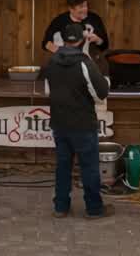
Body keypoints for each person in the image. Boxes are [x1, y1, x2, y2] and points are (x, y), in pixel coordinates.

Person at [41, 21, 111, 219]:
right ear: (81, 40)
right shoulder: (85, 63)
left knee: (63, 166)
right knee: (89, 166)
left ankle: (61, 207)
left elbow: (49, 90)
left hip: (59, 123)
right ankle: (94, 209)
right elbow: (101, 93)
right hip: (82, 123)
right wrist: (104, 81)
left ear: (63, 40)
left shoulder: (52, 61)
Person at [42, 0, 110, 54]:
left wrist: (97, 40)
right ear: (71, 9)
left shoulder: (94, 19)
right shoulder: (59, 21)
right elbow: (46, 43)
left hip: (89, 60)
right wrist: (62, 53)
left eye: (85, 6)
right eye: (81, 7)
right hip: (66, 60)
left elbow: (105, 45)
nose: (85, 10)